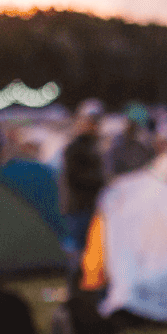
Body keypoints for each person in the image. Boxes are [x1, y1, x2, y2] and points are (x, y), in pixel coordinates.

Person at [60, 106, 106, 258]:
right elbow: (74, 177)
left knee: (89, 249)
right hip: (79, 206)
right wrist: (100, 181)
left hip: (89, 205)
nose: (95, 127)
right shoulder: (76, 148)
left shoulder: (94, 146)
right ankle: (75, 280)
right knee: (79, 249)